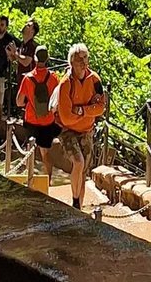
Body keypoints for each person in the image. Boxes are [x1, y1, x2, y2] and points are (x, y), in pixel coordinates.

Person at [51, 42, 107, 208]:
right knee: (78, 162)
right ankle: (75, 201)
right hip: (67, 130)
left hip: (87, 130)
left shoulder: (95, 80)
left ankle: (78, 206)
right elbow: (66, 118)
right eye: (79, 59)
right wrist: (90, 110)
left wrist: (82, 111)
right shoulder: (65, 84)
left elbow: (101, 107)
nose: (83, 62)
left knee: (82, 171)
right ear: (71, 62)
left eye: (85, 57)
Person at [16, 45, 61, 191]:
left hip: (31, 119)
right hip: (48, 120)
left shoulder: (28, 78)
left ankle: (28, 181)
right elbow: (58, 99)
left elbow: (18, 101)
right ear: (47, 59)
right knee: (45, 152)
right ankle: (47, 184)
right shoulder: (54, 78)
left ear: (35, 59)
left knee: (29, 150)